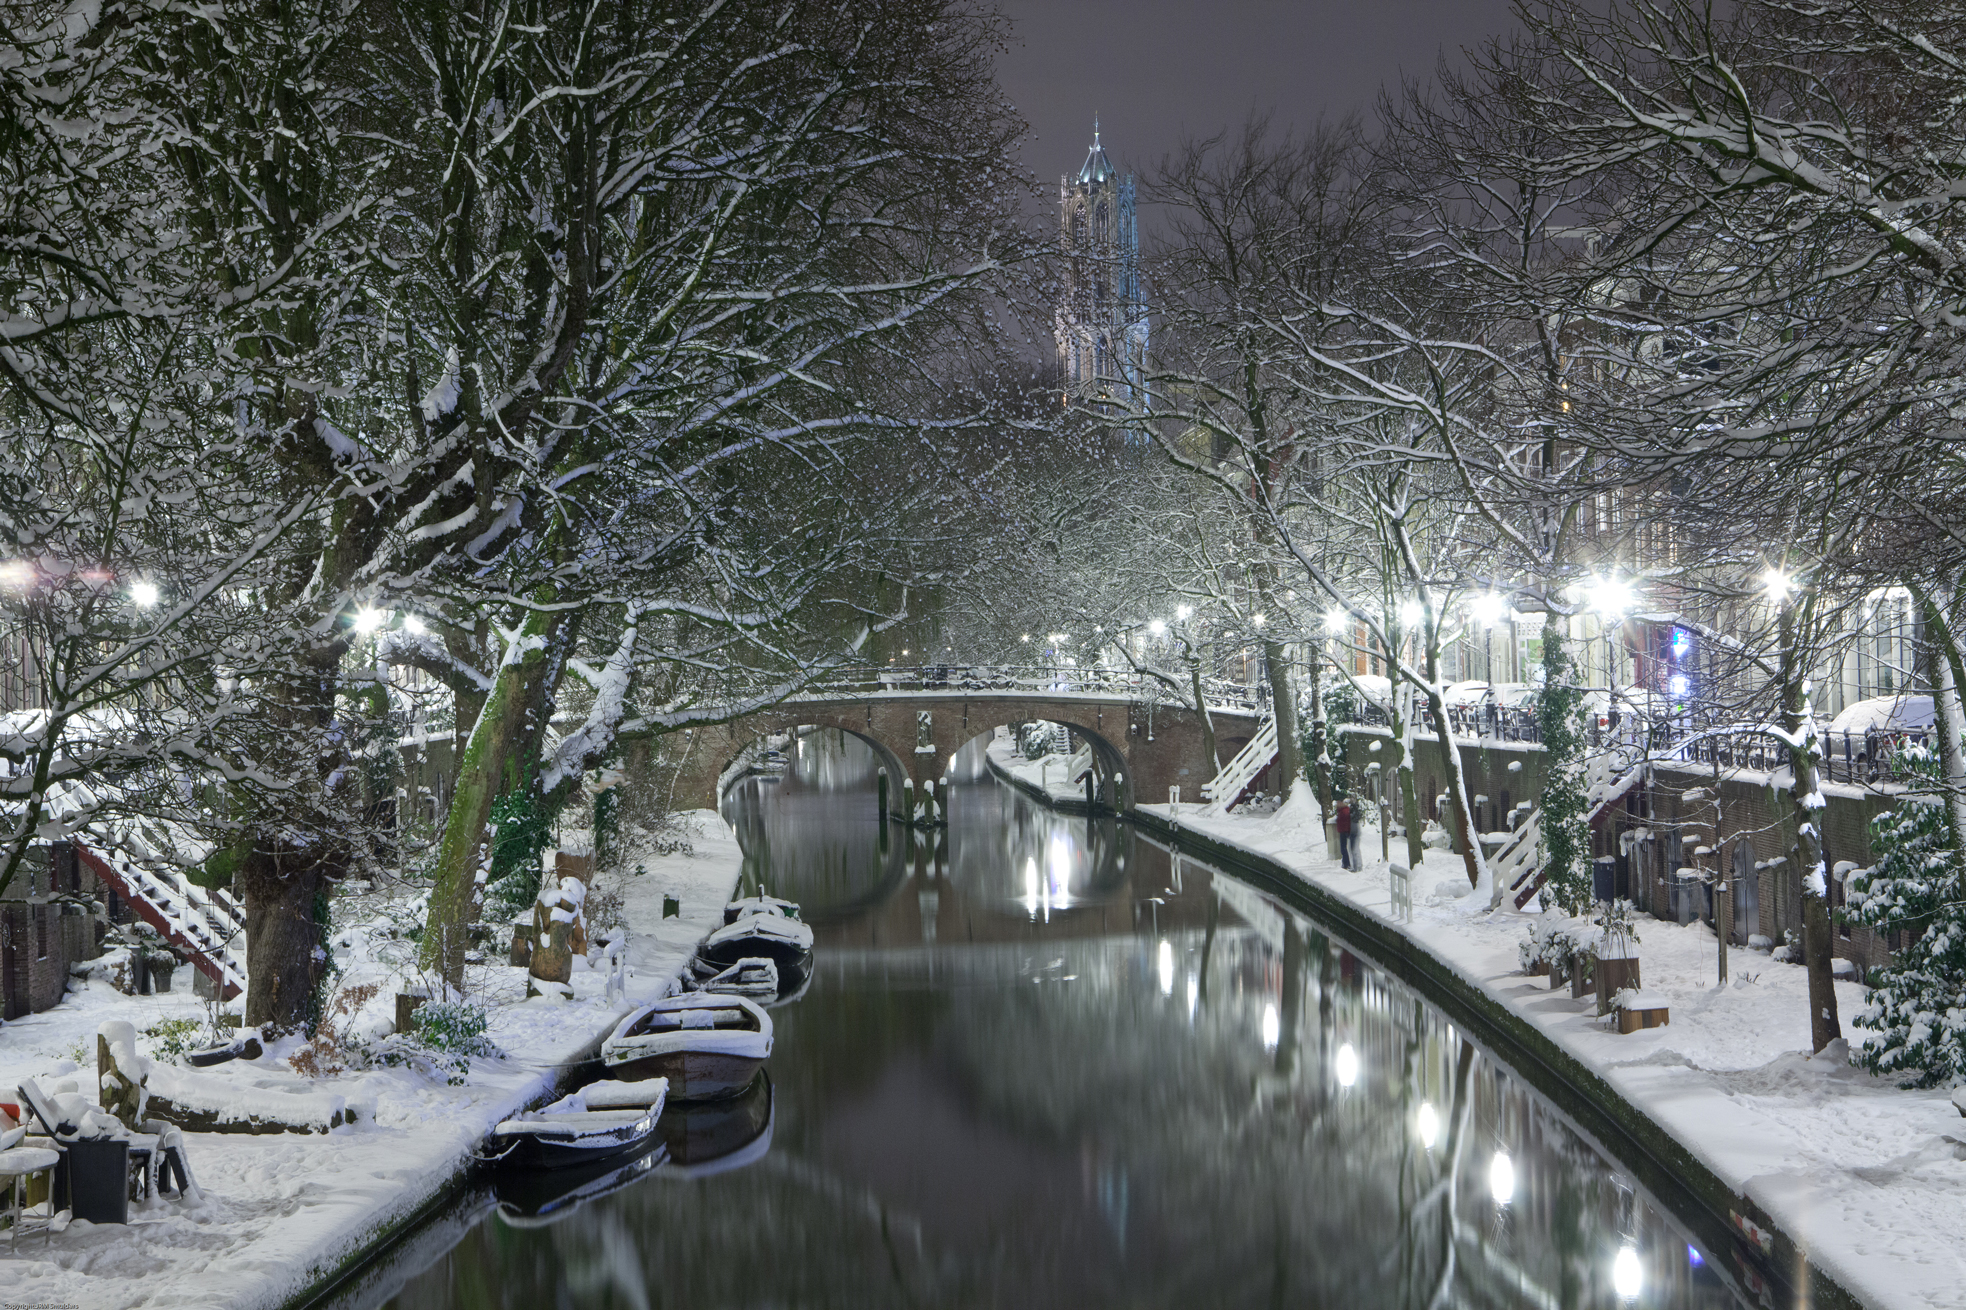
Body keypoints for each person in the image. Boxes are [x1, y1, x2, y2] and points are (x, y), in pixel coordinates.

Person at [1334, 796, 1355, 870]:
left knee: (1343, 848)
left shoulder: (1344, 811)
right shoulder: (1341, 810)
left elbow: (1346, 822)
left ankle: (1346, 863)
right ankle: (1345, 862)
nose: (1337, 804)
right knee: (1343, 848)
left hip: (1344, 831)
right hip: (1342, 830)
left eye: (1338, 803)